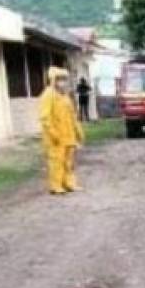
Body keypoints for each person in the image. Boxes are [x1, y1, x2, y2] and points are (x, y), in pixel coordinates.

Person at [39, 66, 84, 195]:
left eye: (64, 79)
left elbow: (73, 116)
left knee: (69, 163)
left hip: (68, 136)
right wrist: (54, 134)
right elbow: (45, 118)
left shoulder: (65, 97)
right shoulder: (48, 95)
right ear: (53, 80)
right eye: (59, 79)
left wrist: (78, 132)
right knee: (56, 162)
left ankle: (69, 183)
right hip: (56, 138)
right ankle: (56, 186)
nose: (62, 82)